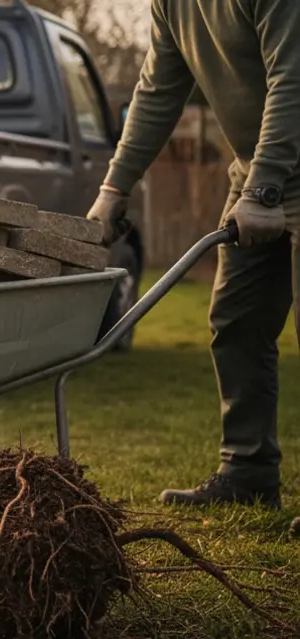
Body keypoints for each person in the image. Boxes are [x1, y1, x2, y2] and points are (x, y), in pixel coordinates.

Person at [86, 0, 300, 513]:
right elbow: (158, 90)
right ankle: (248, 473)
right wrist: (115, 187)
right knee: (237, 319)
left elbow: (292, 78)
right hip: (253, 174)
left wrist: (265, 188)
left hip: (269, 175)